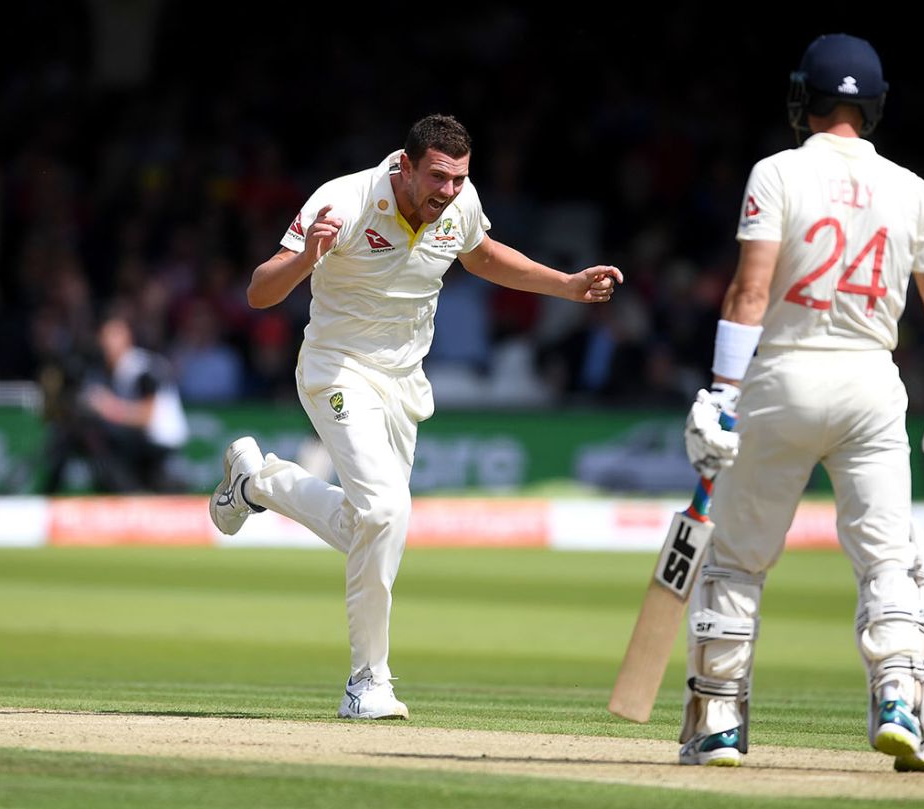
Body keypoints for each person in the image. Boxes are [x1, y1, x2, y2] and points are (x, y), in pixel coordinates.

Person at [207, 114, 622, 720]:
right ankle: (367, 682)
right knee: (385, 512)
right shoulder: (344, 199)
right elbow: (258, 292)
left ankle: (256, 482)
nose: (448, 192)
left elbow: (480, 256)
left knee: (371, 526)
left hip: (405, 384)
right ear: (405, 166)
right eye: (437, 178)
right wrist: (306, 260)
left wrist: (566, 286)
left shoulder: (460, 201)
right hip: (337, 369)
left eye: (459, 180)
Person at [680, 34, 924, 770]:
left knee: (737, 558)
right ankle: (899, 704)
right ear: (873, 106)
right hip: (870, 386)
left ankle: (719, 721)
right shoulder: (911, 187)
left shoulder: (777, 172)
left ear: (802, 99)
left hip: (784, 376)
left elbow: (749, 292)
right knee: (889, 558)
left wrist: (721, 394)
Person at [43, 310, 189, 492]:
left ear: (128, 337)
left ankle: (129, 496)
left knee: (93, 434)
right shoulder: (108, 370)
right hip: (137, 442)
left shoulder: (142, 368)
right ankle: (51, 493)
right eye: (105, 336)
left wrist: (107, 407)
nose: (109, 342)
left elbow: (147, 417)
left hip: (158, 444)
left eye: (115, 335)